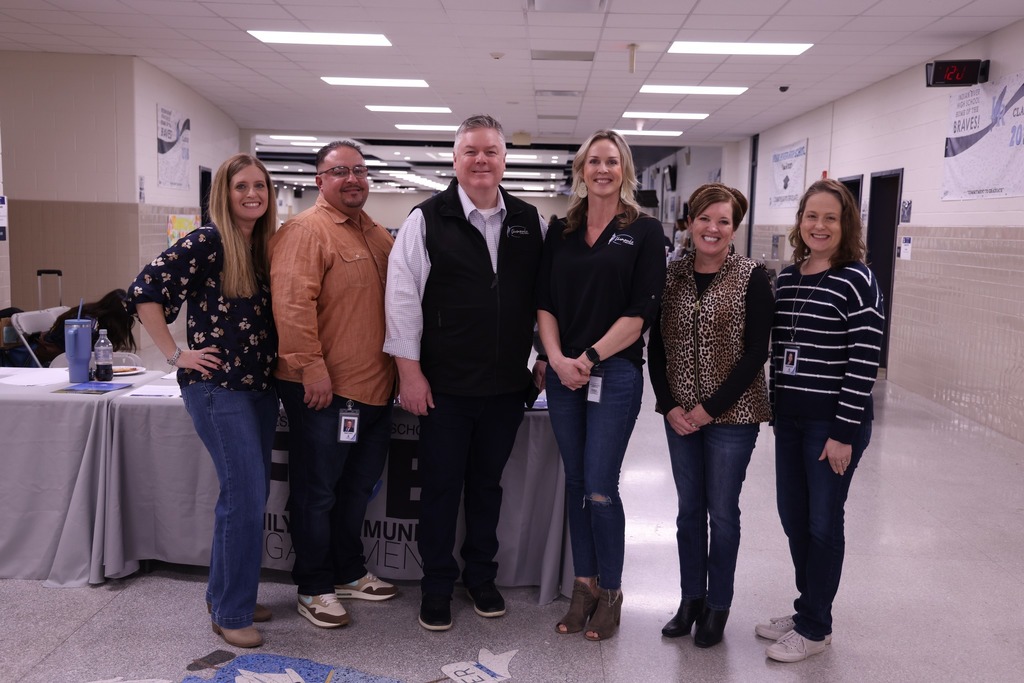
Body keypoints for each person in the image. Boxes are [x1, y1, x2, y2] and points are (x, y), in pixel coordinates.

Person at [384, 114, 546, 632]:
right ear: (454, 160)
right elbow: (402, 299)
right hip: (444, 388)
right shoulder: (426, 219)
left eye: (490, 151)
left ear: (504, 160)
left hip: (506, 387)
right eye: (471, 151)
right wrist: (409, 374)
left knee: (486, 487)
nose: (481, 160)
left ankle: (480, 577)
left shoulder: (530, 221)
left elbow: (547, 299)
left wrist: (545, 354)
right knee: (439, 488)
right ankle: (436, 584)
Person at [124, 153, 279, 649]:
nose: (252, 194)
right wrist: (175, 355)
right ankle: (232, 612)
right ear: (224, 194)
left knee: (246, 497)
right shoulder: (208, 241)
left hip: (259, 387)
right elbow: (144, 290)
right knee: (245, 497)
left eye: (260, 186)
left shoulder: (262, 245)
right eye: (241, 186)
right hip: (217, 388)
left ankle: (226, 593)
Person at [537, 130, 666, 641]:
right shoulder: (561, 231)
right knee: (575, 483)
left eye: (612, 161)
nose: (603, 169)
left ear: (624, 169)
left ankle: (610, 591)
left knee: (599, 486)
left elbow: (641, 312)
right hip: (564, 372)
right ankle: (583, 586)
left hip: (613, 373)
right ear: (581, 170)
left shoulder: (644, 231)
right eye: (594, 161)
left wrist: (588, 358)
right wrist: (556, 359)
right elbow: (545, 302)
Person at [269, 140, 399, 630]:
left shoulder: (375, 233)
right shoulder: (305, 231)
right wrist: (311, 368)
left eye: (359, 170)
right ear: (319, 180)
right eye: (340, 171)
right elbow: (292, 305)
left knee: (356, 489)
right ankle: (313, 585)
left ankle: (347, 571)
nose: (352, 179)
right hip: (326, 391)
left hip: (375, 388)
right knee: (317, 492)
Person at [759, 178, 884, 662]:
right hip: (791, 421)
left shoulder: (857, 279)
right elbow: (779, 350)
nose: (820, 225)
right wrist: (775, 409)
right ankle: (808, 607)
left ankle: (815, 628)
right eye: (812, 215)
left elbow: (863, 361)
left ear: (846, 224)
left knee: (823, 524)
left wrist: (842, 433)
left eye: (831, 217)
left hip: (831, 425)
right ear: (800, 222)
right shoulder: (789, 278)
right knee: (793, 518)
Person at [647, 183, 773, 648]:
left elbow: (756, 352)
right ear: (690, 222)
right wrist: (669, 405)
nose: (713, 229)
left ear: (734, 228)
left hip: (733, 417)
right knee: (688, 513)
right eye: (705, 219)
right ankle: (690, 601)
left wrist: (709, 409)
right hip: (679, 416)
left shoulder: (751, 276)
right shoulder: (671, 274)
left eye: (723, 221)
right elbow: (656, 346)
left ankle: (718, 606)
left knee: (721, 514)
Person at [35, 289, 138, 365]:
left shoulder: (92, 312)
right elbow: (84, 356)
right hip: (52, 358)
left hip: (59, 352)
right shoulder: (89, 322)